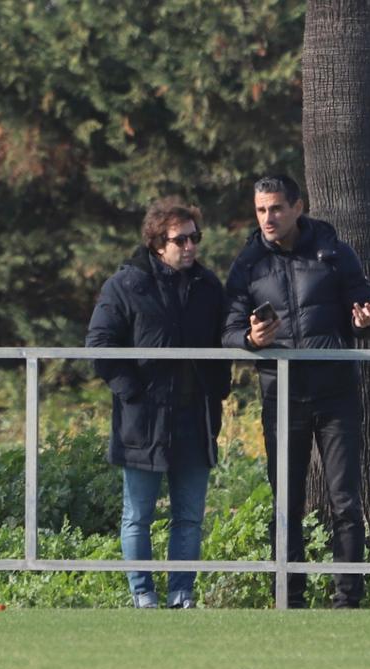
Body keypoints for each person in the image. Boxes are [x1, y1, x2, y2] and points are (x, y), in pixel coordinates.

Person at [222, 174, 370, 608]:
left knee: (345, 500)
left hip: (336, 394)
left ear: (298, 207)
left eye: (276, 208)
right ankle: (288, 597)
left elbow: (362, 310)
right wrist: (250, 340)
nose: (268, 218)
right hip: (282, 396)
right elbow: (228, 330)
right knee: (287, 503)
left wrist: (364, 321)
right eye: (260, 210)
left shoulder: (334, 252)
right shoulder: (247, 263)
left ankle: (348, 599)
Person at [85, 198, 231, 609]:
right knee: (138, 515)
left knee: (189, 517)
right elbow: (99, 344)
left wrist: (220, 386)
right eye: (180, 239)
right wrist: (132, 391)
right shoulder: (125, 285)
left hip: (194, 418)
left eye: (194, 237)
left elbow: (227, 336)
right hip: (143, 419)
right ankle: (142, 593)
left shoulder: (208, 286)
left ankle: (181, 594)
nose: (190, 246)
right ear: (156, 244)